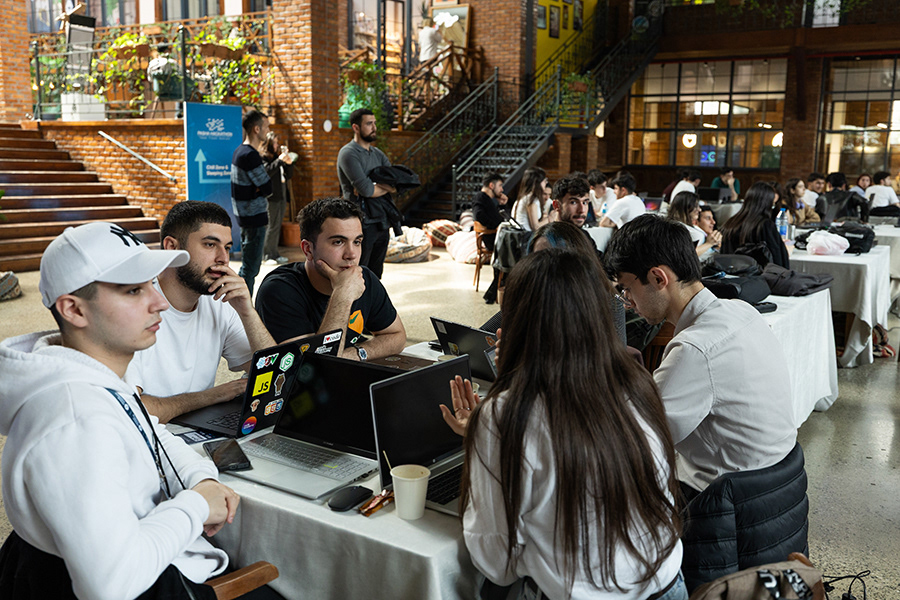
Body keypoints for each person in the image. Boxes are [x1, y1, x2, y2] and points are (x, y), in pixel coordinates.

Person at [0, 222, 240, 599]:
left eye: (151, 284)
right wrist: (195, 506)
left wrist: (200, 478)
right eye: (133, 290)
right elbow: (111, 585)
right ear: (73, 309)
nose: (160, 302)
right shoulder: (75, 418)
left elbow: (150, 429)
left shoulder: (89, 370)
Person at [443, 249, 685, 600]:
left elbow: (497, 562)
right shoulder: (637, 383)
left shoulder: (508, 414)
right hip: (668, 583)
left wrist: (488, 433)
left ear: (516, 322)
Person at [603, 214, 797, 497]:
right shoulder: (741, 310)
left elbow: (635, 441)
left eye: (626, 289)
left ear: (658, 278)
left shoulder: (695, 349)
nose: (627, 302)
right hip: (778, 483)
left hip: (728, 502)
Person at [126, 201, 277, 423]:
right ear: (171, 247)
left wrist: (247, 311)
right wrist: (211, 396)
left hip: (197, 432)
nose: (223, 258)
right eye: (210, 244)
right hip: (147, 437)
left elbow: (277, 375)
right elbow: (131, 411)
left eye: (227, 247)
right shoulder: (132, 309)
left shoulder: (220, 303)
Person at [255, 197, 406, 361]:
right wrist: (342, 295)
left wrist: (356, 354)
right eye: (338, 242)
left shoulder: (364, 278)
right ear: (308, 249)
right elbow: (312, 367)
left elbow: (397, 336)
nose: (351, 254)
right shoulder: (279, 290)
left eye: (357, 242)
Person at [337, 108, 397, 279]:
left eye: (374, 123)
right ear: (356, 127)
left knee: (376, 275)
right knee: (358, 272)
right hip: (359, 221)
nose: (374, 127)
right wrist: (379, 187)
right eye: (369, 124)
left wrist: (376, 186)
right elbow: (366, 190)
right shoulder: (348, 153)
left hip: (381, 219)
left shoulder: (378, 154)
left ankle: (373, 298)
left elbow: (396, 184)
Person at [231, 107, 272, 295]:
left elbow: (261, 187)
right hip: (253, 217)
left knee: (248, 266)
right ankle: (242, 306)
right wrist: (259, 188)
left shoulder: (240, 151)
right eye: (266, 127)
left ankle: (238, 303)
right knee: (251, 268)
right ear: (257, 129)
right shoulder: (250, 155)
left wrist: (258, 188)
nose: (268, 131)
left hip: (246, 216)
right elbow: (268, 188)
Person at [719, 181, 790, 268]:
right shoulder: (765, 226)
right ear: (767, 203)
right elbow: (777, 258)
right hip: (760, 275)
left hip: (731, 274)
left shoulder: (730, 223)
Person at [472, 172, 509, 304]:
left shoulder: (489, 200)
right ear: (491, 185)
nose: (502, 189)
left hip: (497, 236)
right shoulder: (480, 198)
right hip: (491, 238)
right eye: (500, 186)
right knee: (513, 252)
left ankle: (496, 291)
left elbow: (500, 217)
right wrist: (496, 226)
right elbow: (478, 215)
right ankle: (496, 291)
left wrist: (502, 205)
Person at [261, 131, 294, 265]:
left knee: (277, 225)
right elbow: (267, 172)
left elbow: (288, 175)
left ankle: (275, 253)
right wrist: (279, 160)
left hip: (282, 194)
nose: (277, 145)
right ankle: (267, 255)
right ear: (268, 144)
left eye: (277, 142)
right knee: (271, 225)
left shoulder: (277, 158)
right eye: (274, 142)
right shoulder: (264, 158)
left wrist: (289, 163)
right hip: (271, 196)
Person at [668, 191, 721, 258]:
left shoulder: (686, 226)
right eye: (695, 206)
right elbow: (687, 255)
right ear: (687, 207)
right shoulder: (679, 228)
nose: (699, 209)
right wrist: (709, 243)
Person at [511, 167, 550, 231]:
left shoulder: (524, 197)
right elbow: (535, 227)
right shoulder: (531, 199)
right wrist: (550, 218)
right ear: (538, 182)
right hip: (527, 235)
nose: (546, 183)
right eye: (544, 180)